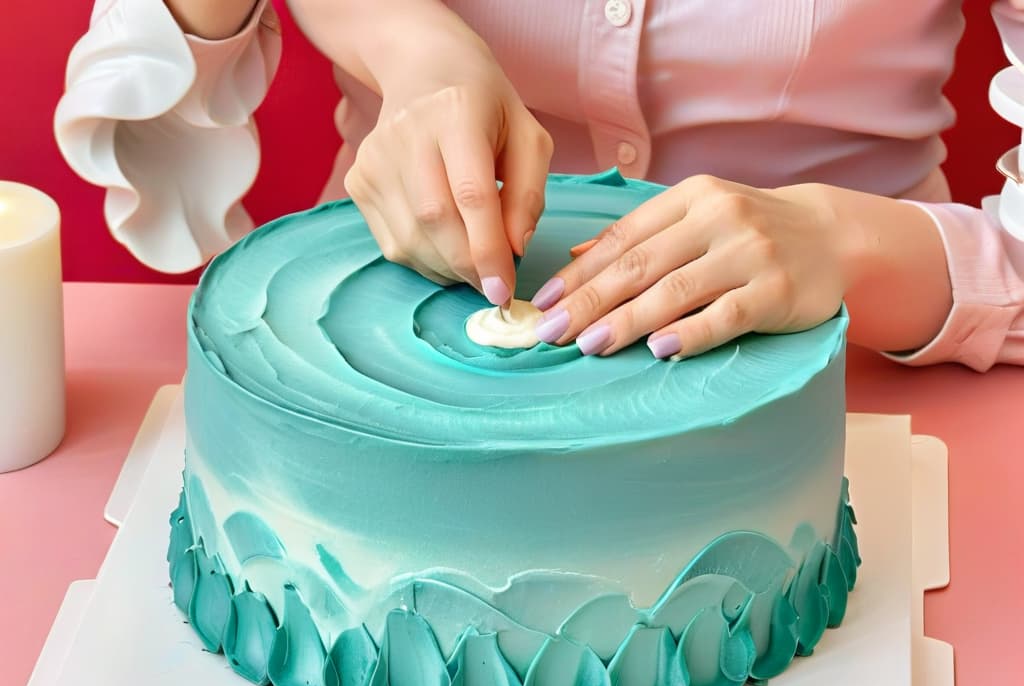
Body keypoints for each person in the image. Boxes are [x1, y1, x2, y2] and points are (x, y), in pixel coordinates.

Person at [56, 0, 1024, 369]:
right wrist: (409, 41)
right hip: (372, 378)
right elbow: (150, 119)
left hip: (865, 403)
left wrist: (849, 248)